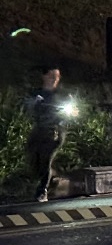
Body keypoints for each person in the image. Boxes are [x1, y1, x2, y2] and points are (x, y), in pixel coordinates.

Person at [24, 66, 71, 203]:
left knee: (46, 158)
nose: (54, 79)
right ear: (44, 76)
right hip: (39, 130)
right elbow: (27, 108)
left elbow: (71, 111)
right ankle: (54, 179)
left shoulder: (62, 95)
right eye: (51, 76)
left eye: (57, 77)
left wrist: (68, 114)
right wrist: (34, 104)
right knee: (34, 159)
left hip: (55, 132)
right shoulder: (37, 94)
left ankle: (42, 191)